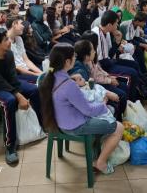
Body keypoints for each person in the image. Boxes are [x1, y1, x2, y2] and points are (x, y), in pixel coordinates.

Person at [38, 43, 123, 174]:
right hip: (74, 126)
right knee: (118, 127)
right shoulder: (69, 85)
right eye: (74, 56)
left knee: (106, 112)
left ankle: (98, 148)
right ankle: (100, 163)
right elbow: (88, 110)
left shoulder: (50, 77)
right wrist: (104, 103)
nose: (75, 58)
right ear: (67, 61)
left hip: (58, 121)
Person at [0, 28, 42, 165]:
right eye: (6, 40)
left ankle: (41, 125)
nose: (9, 42)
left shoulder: (8, 54)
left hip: (9, 84)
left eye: (8, 38)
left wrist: (18, 92)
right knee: (9, 101)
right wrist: (18, 96)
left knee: (34, 90)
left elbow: (13, 77)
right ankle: (10, 145)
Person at [92, 11, 147, 104]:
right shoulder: (97, 35)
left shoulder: (106, 33)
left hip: (108, 61)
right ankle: (133, 100)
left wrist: (118, 42)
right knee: (132, 73)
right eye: (116, 23)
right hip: (102, 67)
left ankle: (142, 89)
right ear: (109, 25)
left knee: (134, 64)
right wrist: (116, 50)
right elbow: (103, 61)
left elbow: (110, 54)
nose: (117, 26)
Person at [70, 39, 127, 121]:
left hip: (97, 88)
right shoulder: (81, 72)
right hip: (90, 104)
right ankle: (118, 122)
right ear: (86, 56)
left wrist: (108, 77)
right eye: (93, 50)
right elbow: (86, 93)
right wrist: (105, 94)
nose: (95, 52)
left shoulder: (85, 63)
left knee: (122, 90)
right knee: (120, 96)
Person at [6, 16, 43, 83]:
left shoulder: (19, 39)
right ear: (14, 24)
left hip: (27, 70)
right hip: (19, 74)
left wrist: (41, 73)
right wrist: (36, 75)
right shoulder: (5, 42)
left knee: (50, 70)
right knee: (44, 81)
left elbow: (26, 60)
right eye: (21, 24)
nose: (23, 26)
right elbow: (16, 67)